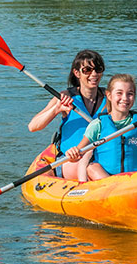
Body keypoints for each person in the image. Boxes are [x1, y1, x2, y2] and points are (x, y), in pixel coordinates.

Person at [65, 74, 137, 180]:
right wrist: (72, 153)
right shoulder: (97, 125)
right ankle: (115, 188)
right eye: (119, 93)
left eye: (130, 94)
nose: (125, 98)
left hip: (135, 180)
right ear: (109, 96)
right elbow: (76, 156)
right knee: (92, 168)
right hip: (107, 180)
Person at [28, 50, 107, 180]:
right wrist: (56, 109)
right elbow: (33, 126)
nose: (94, 74)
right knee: (91, 168)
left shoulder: (110, 97)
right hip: (71, 159)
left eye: (98, 69)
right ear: (77, 73)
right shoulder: (65, 97)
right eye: (87, 70)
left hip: (103, 157)